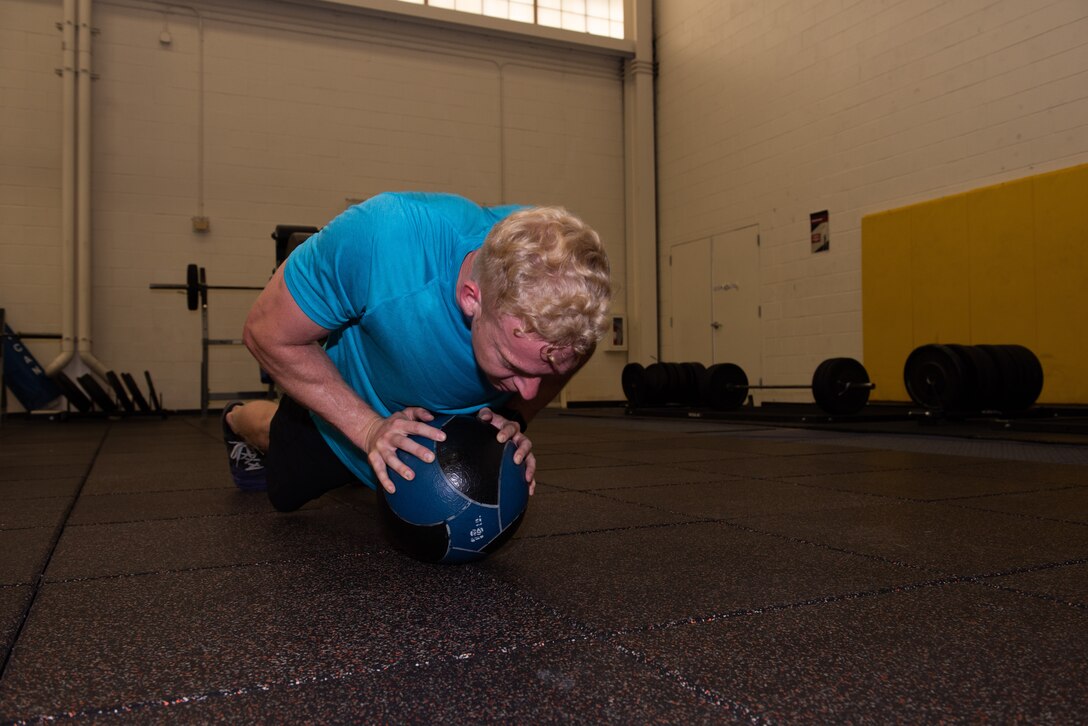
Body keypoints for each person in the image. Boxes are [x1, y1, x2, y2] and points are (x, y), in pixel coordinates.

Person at [221, 191, 612, 512]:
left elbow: (572, 353)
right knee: (286, 480)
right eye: (513, 365)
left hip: (463, 423)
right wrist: (369, 429)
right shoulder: (383, 238)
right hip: (354, 405)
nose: (529, 391)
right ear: (471, 298)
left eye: (542, 372)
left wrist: (516, 415)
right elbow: (264, 334)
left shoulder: (570, 294)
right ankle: (237, 420)